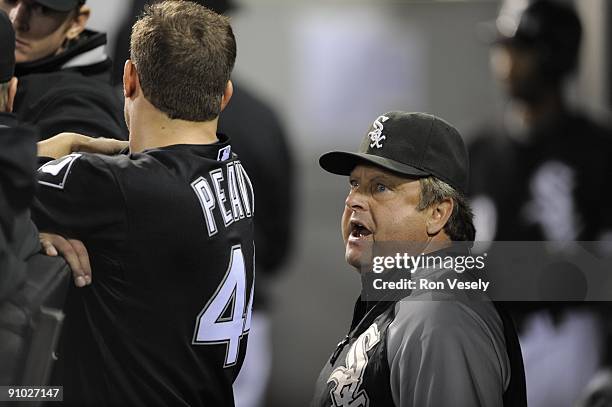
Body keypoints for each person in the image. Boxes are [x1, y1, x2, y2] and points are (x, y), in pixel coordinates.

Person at [31, 2, 254, 405]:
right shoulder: (234, 170)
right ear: (225, 96)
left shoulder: (116, 187)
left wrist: (59, 145)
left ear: (129, 78)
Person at [312, 111, 526, 406]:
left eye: (380, 187)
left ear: (437, 213)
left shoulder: (440, 317)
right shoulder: (407, 299)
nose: (353, 201)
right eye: (354, 184)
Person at [469, 1, 612, 405]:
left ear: (555, 55)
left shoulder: (596, 150)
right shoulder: (479, 151)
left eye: (521, 49)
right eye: (502, 47)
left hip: (567, 334)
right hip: (494, 337)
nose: (505, 61)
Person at [1, 0, 127, 140]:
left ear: (76, 22)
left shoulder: (82, 105)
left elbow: (91, 153)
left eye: (41, 9)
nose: (16, 20)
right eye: (10, 0)